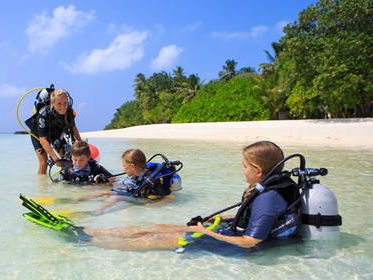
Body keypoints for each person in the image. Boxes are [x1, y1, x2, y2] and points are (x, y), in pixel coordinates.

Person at [21, 141, 300, 252]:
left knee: (155, 239)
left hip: (231, 244)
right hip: (225, 228)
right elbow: (246, 217)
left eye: (244, 166)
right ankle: (87, 231)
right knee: (156, 227)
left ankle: (89, 242)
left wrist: (208, 233)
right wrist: (216, 218)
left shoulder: (267, 199)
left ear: (259, 170)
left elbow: (250, 242)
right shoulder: (266, 192)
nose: (241, 170)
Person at [26, 87, 82, 175]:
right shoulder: (43, 113)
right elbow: (43, 140)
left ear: (68, 102)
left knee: (65, 160)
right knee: (43, 163)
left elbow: (74, 128)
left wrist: (81, 144)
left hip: (56, 134)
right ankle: (42, 186)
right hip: (39, 135)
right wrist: (54, 158)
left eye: (65, 103)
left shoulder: (69, 112)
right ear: (53, 103)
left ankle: (67, 180)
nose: (63, 107)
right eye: (59, 103)